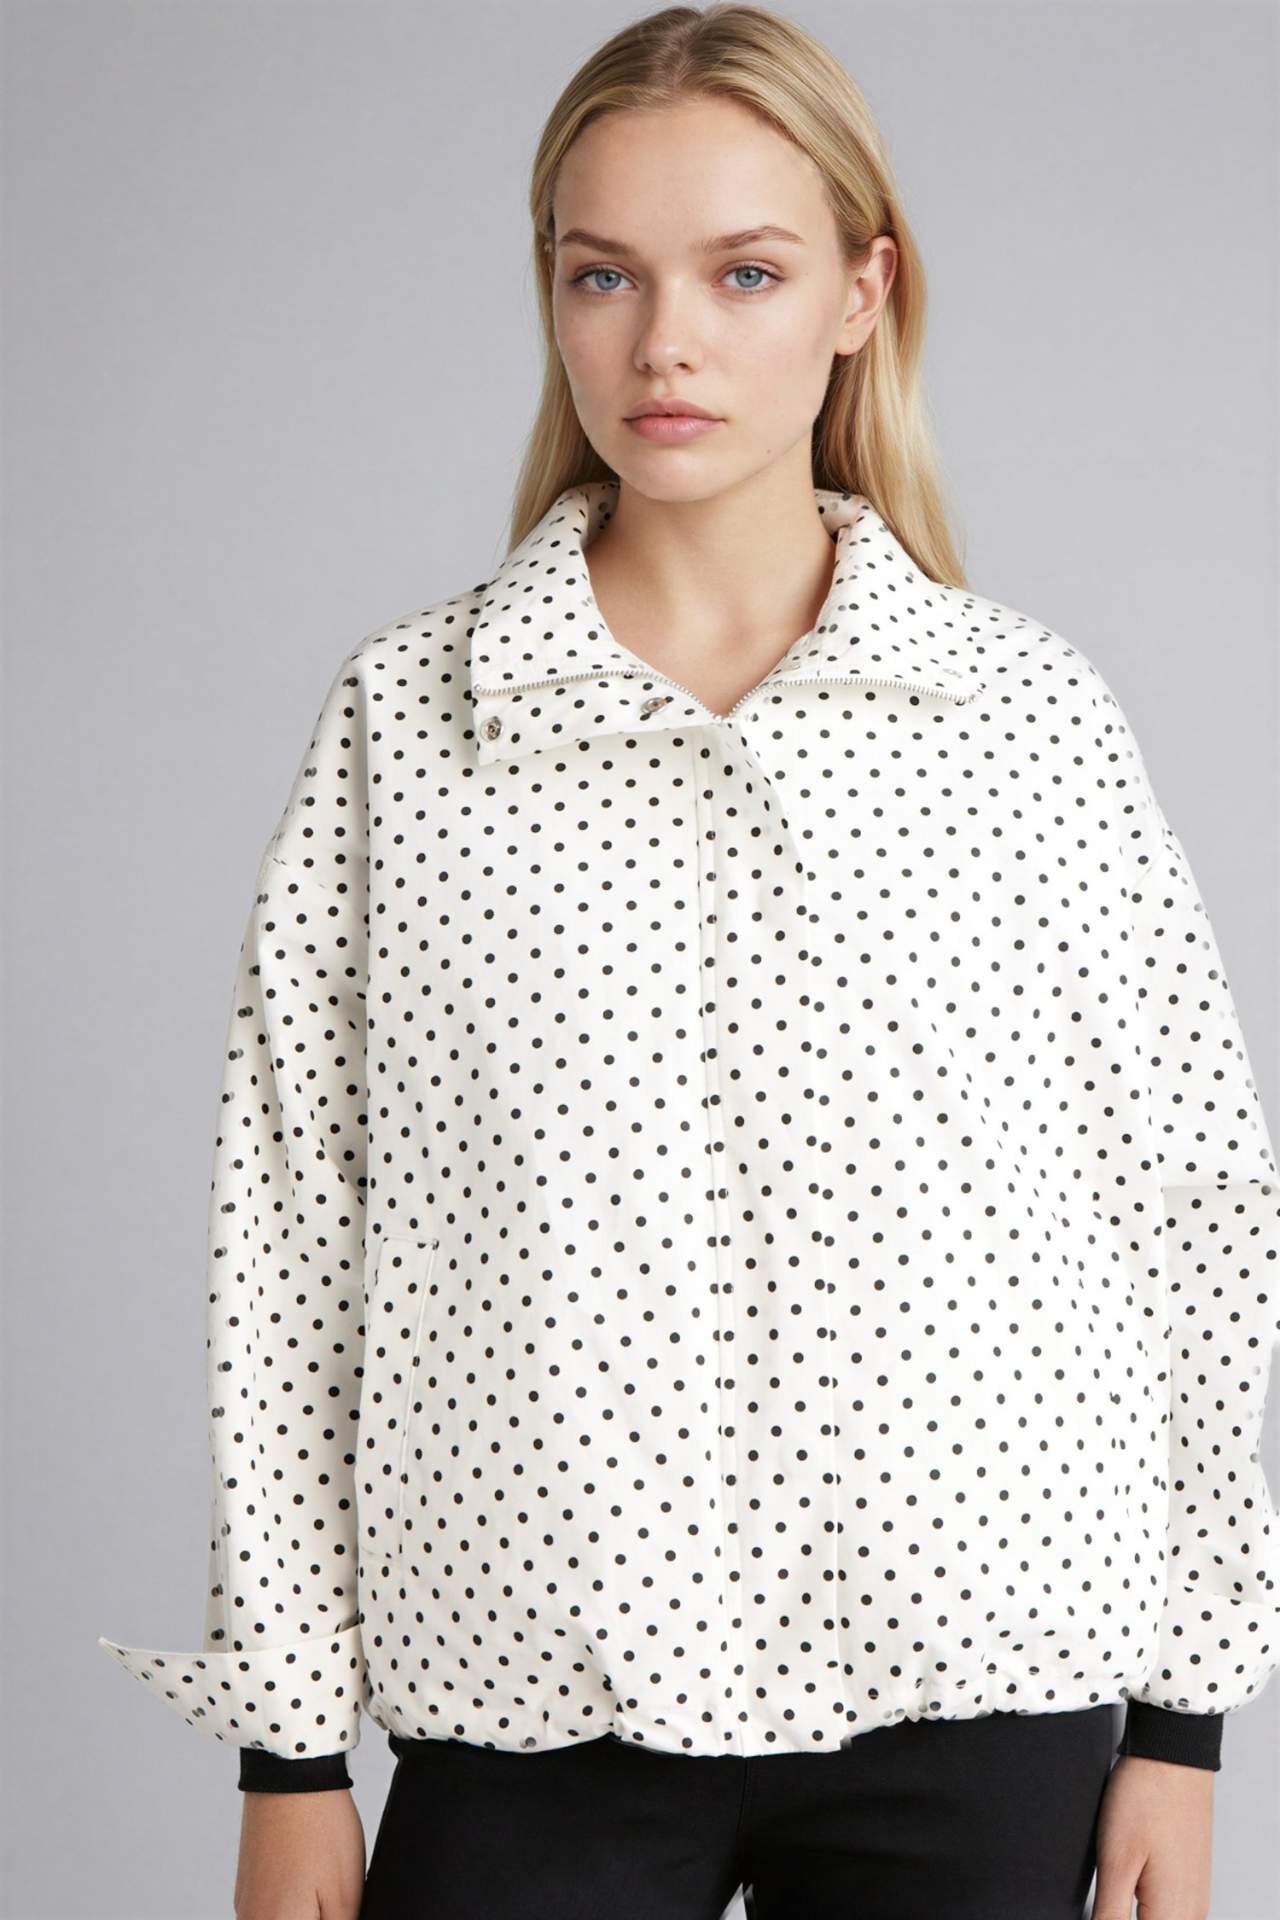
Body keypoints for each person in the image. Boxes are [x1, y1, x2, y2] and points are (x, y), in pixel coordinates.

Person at [97, 5, 1280, 1917]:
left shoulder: (1025, 721)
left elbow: (1196, 1212)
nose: (666, 342)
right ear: (553, 299)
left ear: (860, 294)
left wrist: (1184, 1721)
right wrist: (290, 1750)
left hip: (979, 1673)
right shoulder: (412, 725)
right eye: (606, 274)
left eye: (744, 272)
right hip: (533, 1677)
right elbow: (297, 1238)